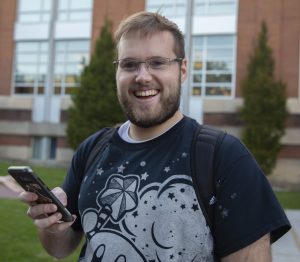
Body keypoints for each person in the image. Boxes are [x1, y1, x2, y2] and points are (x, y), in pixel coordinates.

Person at [20, 11, 291, 261]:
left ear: (182, 70)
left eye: (157, 63)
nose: (142, 76)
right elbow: (61, 248)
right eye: (129, 65)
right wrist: (53, 229)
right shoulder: (93, 149)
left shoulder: (225, 157)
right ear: (117, 72)